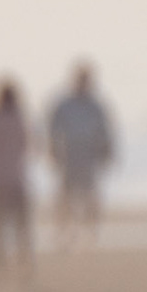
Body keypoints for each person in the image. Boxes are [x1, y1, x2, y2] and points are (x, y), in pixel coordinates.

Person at [47, 62, 115, 247]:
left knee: (90, 198)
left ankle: (90, 234)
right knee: (65, 199)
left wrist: (107, 152)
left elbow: (105, 131)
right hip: (69, 158)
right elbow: (53, 129)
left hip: (89, 158)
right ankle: (63, 234)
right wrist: (53, 151)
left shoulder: (95, 105)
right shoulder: (64, 104)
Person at [0, 78, 32, 272]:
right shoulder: (20, 118)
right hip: (17, 178)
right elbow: (27, 145)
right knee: (21, 224)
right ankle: (23, 256)